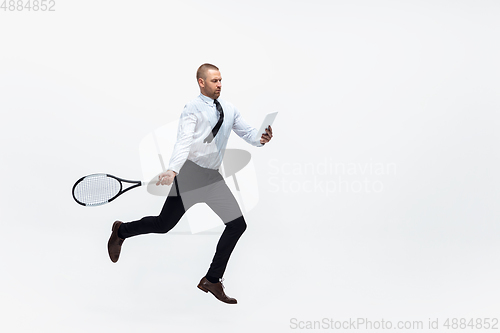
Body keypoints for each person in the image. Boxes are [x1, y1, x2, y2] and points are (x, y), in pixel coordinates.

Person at [107, 63, 273, 304]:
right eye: (214, 81)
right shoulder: (192, 109)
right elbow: (183, 141)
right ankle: (120, 231)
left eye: (221, 80)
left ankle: (212, 280)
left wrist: (261, 139)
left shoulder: (229, 108)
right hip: (190, 176)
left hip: (212, 178)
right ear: (201, 82)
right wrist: (173, 169)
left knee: (237, 225)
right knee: (164, 225)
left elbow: (248, 133)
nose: (219, 85)